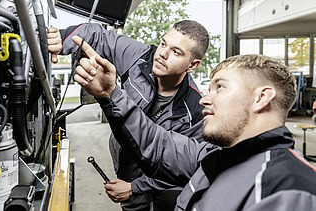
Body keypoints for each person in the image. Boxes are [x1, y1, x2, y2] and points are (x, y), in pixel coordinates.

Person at [73, 47, 316, 210]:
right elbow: (154, 143)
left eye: (220, 87)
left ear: (261, 98)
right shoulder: (213, 157)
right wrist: (110, 94)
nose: (204, 99)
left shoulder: (288, 187)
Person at [47, 20, 209, 210]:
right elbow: (98, 34)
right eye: (164, 43)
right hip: (123, 161)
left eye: (176, 52)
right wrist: (62, 38)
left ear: (192, 65)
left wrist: (134, 187)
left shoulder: (194, 110)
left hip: (153, 178)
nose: (162, 54)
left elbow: (185, 168)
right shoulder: (140, 57)